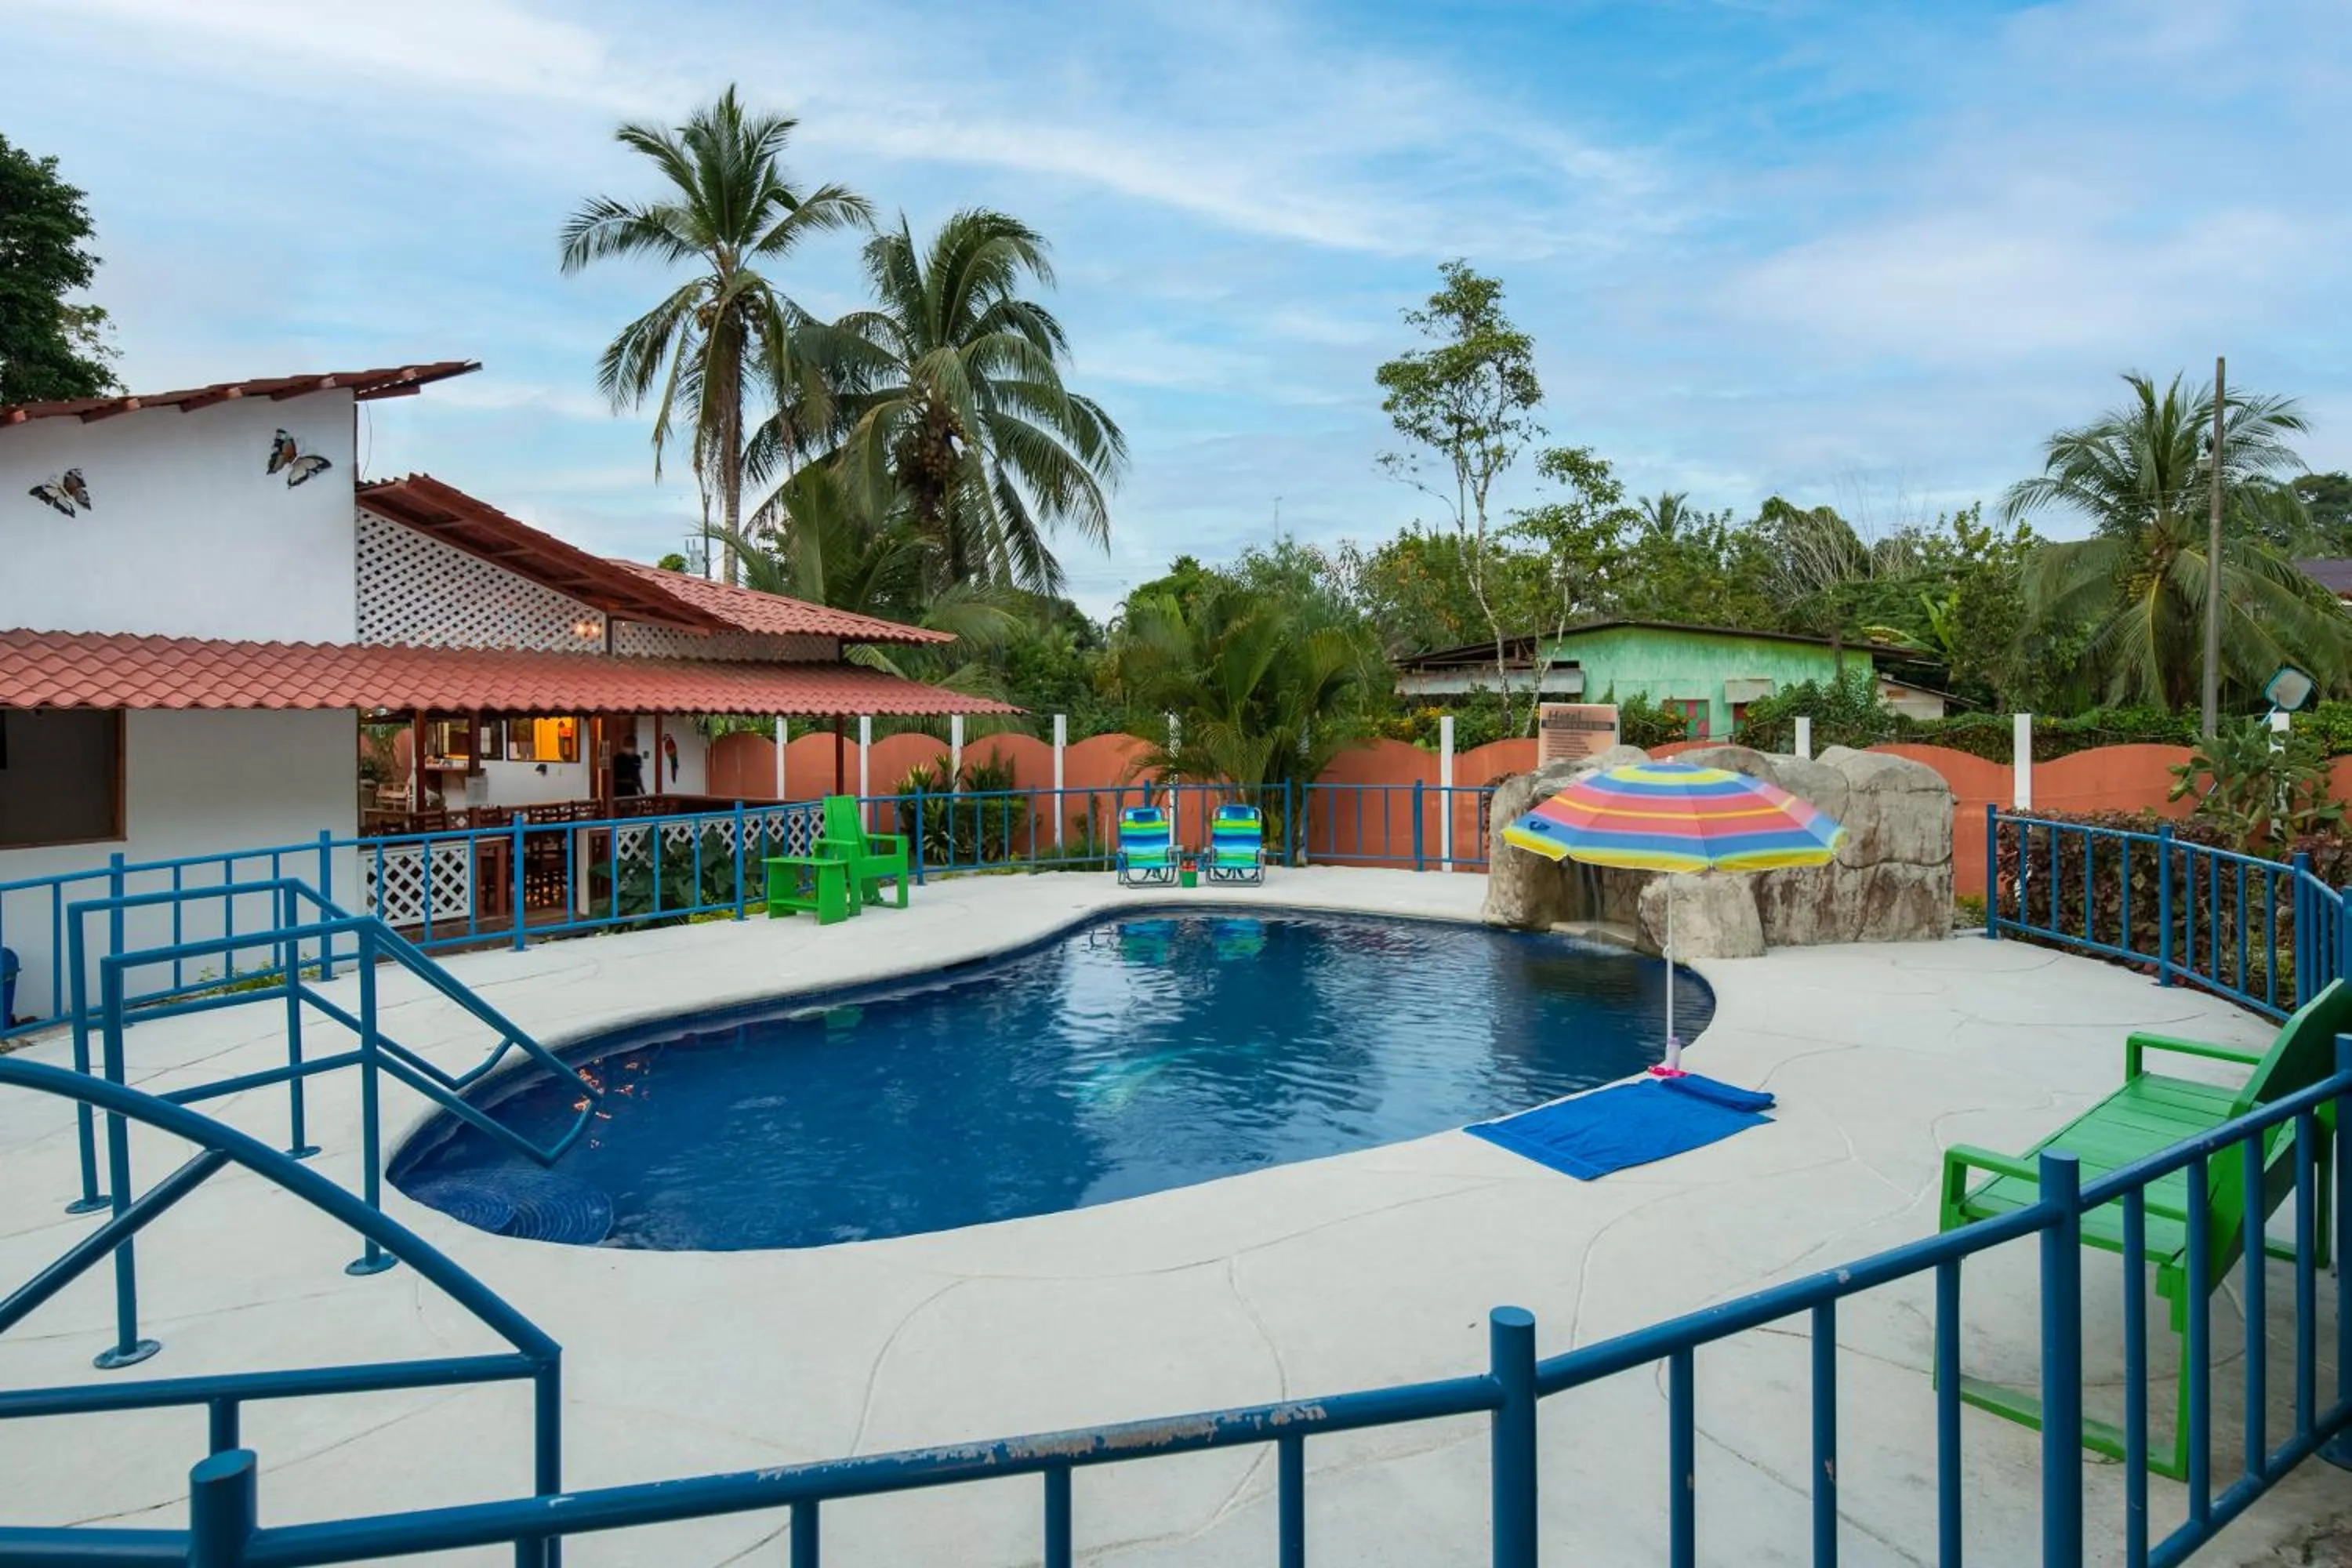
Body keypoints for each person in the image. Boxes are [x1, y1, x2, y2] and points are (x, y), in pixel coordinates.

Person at [612, 732, 646, 797]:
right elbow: (613, 776)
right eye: (628, 744)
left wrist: (642, 790)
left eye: (632, 744)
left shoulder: (637, 758)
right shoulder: (618, 758)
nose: (630, 746)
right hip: (620, 789)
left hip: (632, 789)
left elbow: (638, 775)